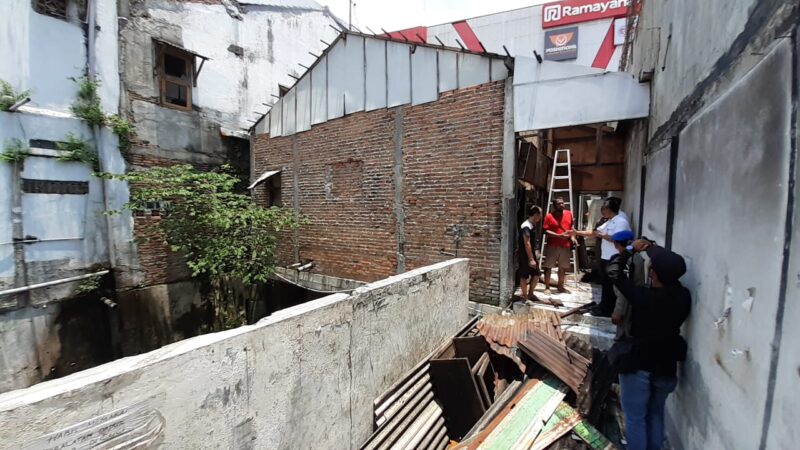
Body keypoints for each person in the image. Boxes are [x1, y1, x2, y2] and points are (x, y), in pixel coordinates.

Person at [606, 239, 691, 450]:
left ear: (654, 273)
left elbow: (614, 271)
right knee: (656, 414)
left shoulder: (644, 296)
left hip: (639, 362)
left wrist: (630, 249)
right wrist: (650, 248)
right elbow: (670, 267)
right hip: (666, 363)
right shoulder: (683, 296)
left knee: (635, 418)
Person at [574, 197, 631, 316]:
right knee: (606, 285)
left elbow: (618, 239)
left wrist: (603, 236)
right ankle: (604, 306)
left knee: (611, 287)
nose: (602, 210)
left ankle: (608, 310)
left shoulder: (621, 221)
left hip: (615, 258)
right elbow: (594, 233)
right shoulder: (609, 221)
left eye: (604, 208)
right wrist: (576, 232)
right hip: (606, 258)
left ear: (610, 209)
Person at [541, 197, 577, 294]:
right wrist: (558, 235)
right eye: (559, 204)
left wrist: (573, 238)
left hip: (565, 245)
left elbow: (572, 228)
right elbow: (545, 230)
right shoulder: (549, 216)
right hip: (552, 245)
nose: (561, 205)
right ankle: (547, 287)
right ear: (554, 205)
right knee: (548, 266)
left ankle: (560, 286)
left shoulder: (569, 214)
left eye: (562, 203)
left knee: (563, 267)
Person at [517, 206, 542, 301]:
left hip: (531, 254)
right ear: (535, 215)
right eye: (540, 215)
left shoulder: (532, 225)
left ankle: (531, 293)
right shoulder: (526, 226)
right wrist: (531, 259)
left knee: (536, 274)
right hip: (525, 255)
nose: (540, 218)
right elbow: (526, 243)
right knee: (524, 275)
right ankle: (525, 296)